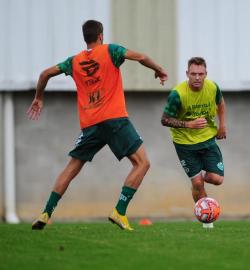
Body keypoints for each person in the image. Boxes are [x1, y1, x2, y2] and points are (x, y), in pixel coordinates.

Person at [28, 20, 168, 231]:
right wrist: (158, 70)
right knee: (142, 163)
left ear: (85, 38)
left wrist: (39, 97)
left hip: (90, 124)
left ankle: (46, 212)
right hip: (114, 119)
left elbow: (45, 74)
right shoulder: (111, 51)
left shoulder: (73, 61)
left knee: (72, 168)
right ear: (100, 35)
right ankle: (119, 211)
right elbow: (141, 57)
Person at [161, 57, 226, 228]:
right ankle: (207, 221)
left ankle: (197, 180)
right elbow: (165, 120)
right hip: (184, 144)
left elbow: (220, 103)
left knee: (216, 179)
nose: (197, 77)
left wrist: (222, 126)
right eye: (193, 74)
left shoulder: (212, 87)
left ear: (206, 74)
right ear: (187, 74)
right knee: (197, 182)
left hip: (207, 140)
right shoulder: (178, 94)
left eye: (200, 74)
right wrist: (189, 124)